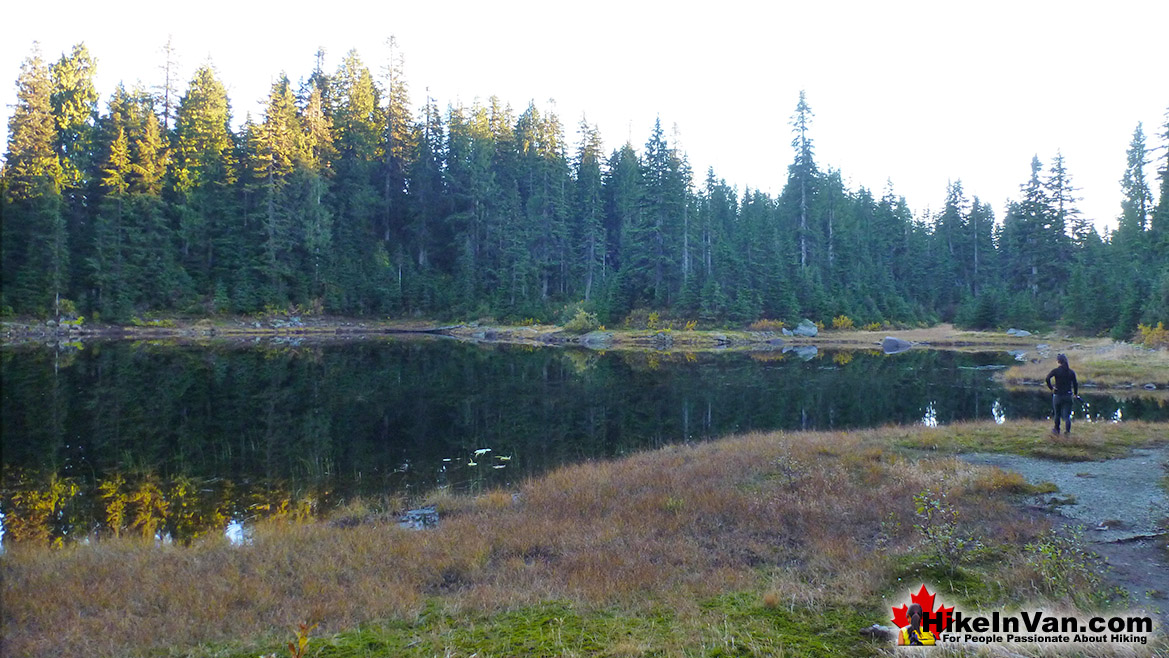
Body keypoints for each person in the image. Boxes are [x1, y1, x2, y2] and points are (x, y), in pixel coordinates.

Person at [1045, 353, 1079, 435]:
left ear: (1058, 361)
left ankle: (1056, 430)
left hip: (1058, 395)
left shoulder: (1056, 371)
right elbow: (1075, 384)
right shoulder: (1071, 372)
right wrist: (1075, 394)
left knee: (1057, 414)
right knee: (1067, 416)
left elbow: (1047, 378)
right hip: (1068, 395)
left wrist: (1051, 388)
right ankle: (1067, 432)